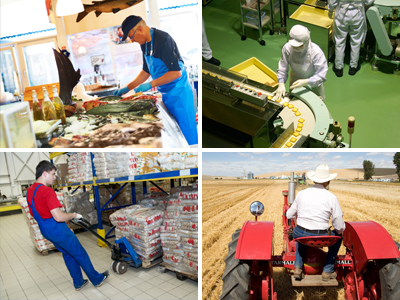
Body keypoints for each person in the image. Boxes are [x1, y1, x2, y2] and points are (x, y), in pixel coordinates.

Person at [114, 15, 198, 145]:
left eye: (132, 37)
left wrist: (150, 85)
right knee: (176, 133)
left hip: (179, 92)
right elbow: (146, 71)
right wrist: (128, 87)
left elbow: (176, 73)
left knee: (187, 132)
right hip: (165, 92)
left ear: (140, 29)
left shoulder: (163, 39)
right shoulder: (144, 44)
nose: (133, 41)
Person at [26, 161, 109, 291]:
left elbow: (34, 212)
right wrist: (73, 215)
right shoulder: (47, 191)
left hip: (45, 229)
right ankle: (97, 279)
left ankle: (78, 282)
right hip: (56, 228)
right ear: (44, 173)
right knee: (80, 253)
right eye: (53, 174)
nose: (55, 177)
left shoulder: (31, 190)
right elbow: (58, 217)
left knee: (67, 253)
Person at [286, 164, 345, 281]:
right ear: (328, 182)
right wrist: (338, 232)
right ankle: (327, 271)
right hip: (322, 235)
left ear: (313, 180)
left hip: (302, 234)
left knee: (300, 235)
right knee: (339, 236)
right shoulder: (332, 197)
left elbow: (289, 215)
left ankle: (297, 268)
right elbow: (338, 225)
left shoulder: (302, 194)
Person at [273, 25, 328, 102]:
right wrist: (281, 83)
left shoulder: (316, 52)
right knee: (294, 103)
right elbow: (283, 67)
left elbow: (321, 76)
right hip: (295, 82)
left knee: (315, 106)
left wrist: (306, 82)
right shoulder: (287, 48)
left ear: (306, 42)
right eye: (294, 46)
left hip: (314, 85)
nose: (296, 48)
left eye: (299, 46)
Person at [328, 0, 374, 77]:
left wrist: (330, 9)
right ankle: (353, 67)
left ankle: (338, 68)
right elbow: (369, 2)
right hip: (357, 14)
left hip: (342, 14)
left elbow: (332, 2)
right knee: (356, 41)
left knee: (339, 41)